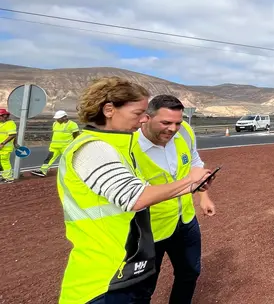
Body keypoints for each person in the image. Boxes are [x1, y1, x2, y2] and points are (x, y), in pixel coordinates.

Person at [56, 77, 211, 304]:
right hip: (103, 278)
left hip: (124, 264)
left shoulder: (116, 146)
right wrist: (190, 183)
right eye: (137, 113)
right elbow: (135, 197)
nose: (142, 120)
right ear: (109, 110)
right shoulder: (93, 150)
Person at [132, 95, 216, 303]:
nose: (173, 128)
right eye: (166, 123)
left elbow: (195, 162)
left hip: (185, 220)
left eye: (177, 122)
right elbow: (136, 196)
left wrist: (203, 194)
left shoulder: (185, 132)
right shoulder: (130, 148)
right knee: (143, 286)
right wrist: (189, 183)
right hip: (149, 229)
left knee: (190, 273)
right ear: (146, 118)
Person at [31, 110, 80, 177]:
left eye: (59, 118)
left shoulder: (72, 124)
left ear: (65, 117)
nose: (57, 120)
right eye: (57, 118)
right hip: (55, 147)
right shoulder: (55, 124)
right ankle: (43, 171)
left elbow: (76, 135)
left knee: (68, 160)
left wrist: (76, 145)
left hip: (66, 147)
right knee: (49, 159)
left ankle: (71, 173)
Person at [0, 108, 17, 183]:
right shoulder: (1, 123)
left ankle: (9, 178)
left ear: (5, 116)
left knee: (4, 161)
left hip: (5, 147)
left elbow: (12, 135)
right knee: (2, 162)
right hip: (1, 146)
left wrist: (3, 143)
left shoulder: (10, 123)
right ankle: (4, 176)